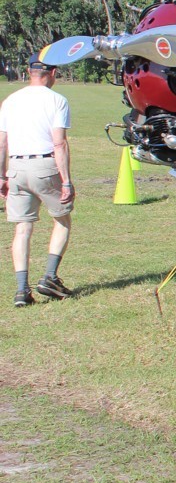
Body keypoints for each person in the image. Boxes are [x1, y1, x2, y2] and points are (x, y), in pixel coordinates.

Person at [0, 53, 75, 306]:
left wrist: (1, 176)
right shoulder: (57, 100)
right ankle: (50, 277)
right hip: (45, 165)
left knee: (22, 228)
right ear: (52, 73)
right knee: (62, 220)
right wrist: (66, 181)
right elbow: (59, 143)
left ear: (30, 72)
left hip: (16, 166)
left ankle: (22, 290)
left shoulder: (10, 100)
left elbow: (2, 143)